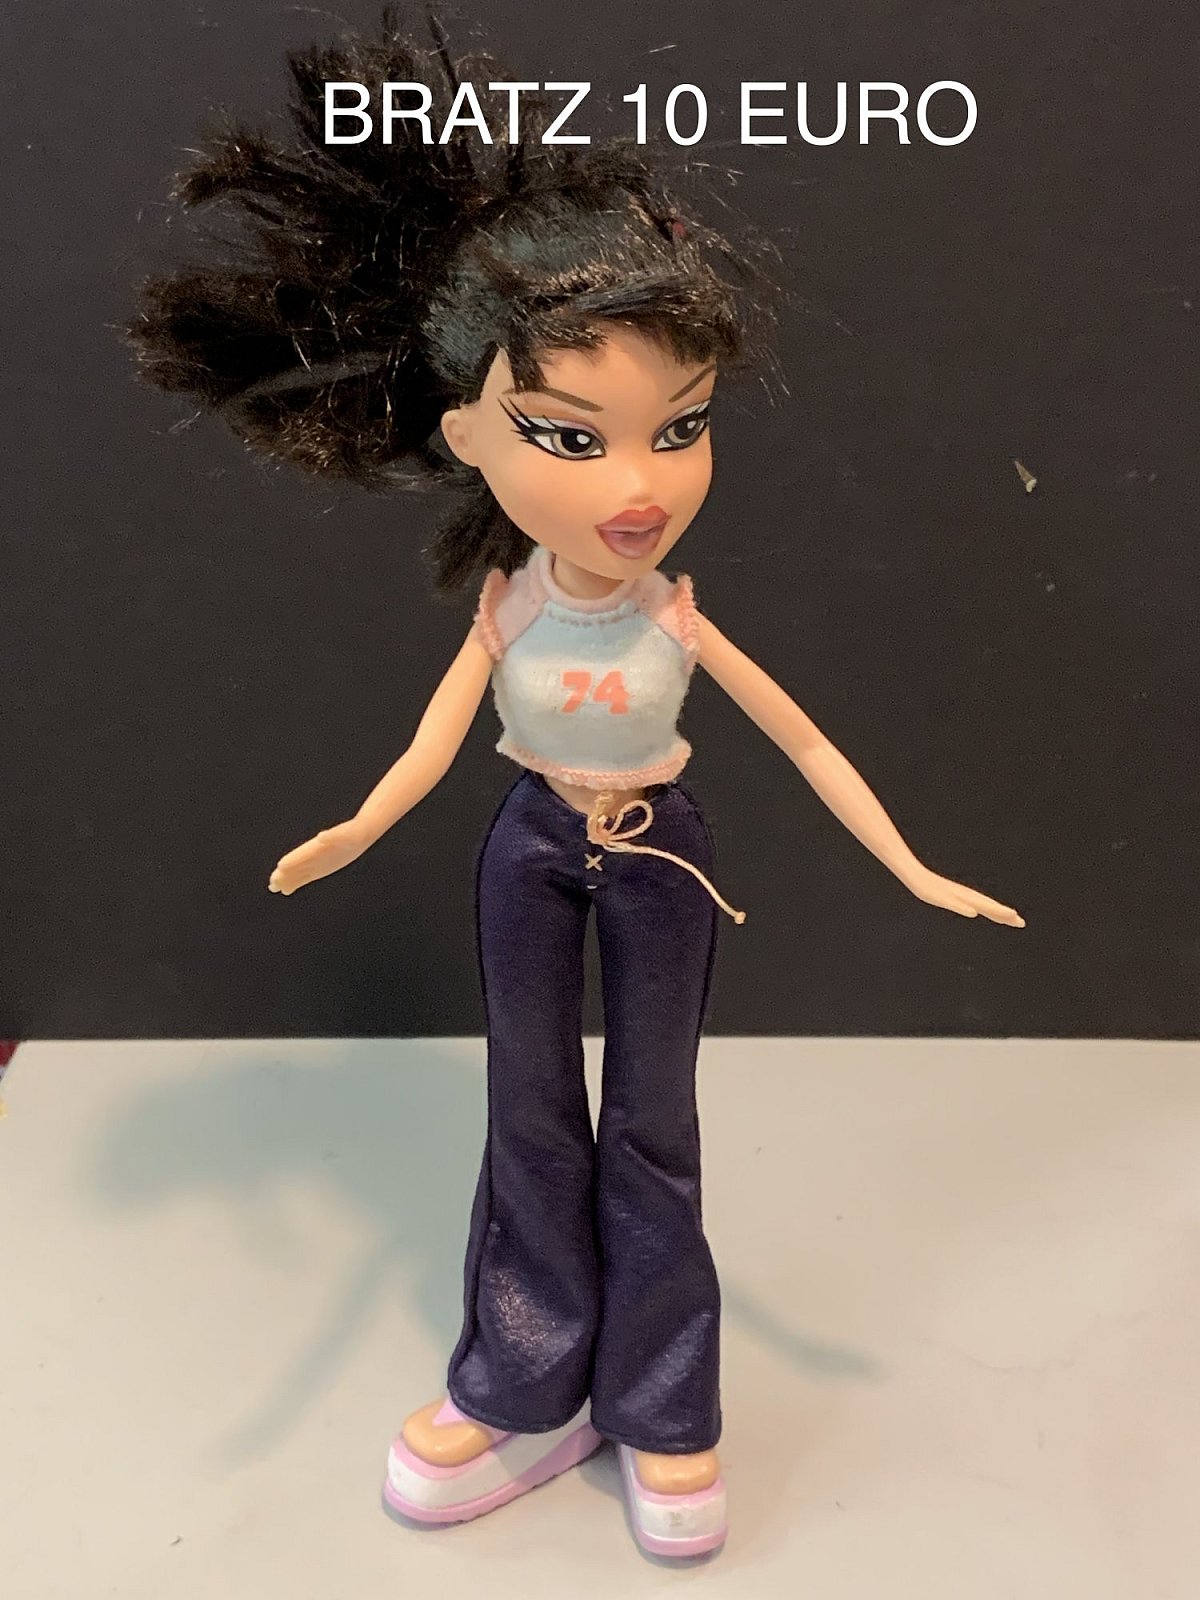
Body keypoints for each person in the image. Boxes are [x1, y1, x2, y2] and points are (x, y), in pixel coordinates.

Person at [129, 6, 1024, 1559]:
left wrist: (909, 865)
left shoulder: (677, 616)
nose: (640, 486)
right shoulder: (507, 610)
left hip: (663, 853)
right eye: (568, 433)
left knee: (655, 1126)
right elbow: (432, 745)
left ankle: (665, 1401)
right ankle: (527, 1382)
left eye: (681, 427)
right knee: (531, 1115)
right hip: (532, 849)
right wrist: (361, 824)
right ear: (467, 432)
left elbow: (807, 739)